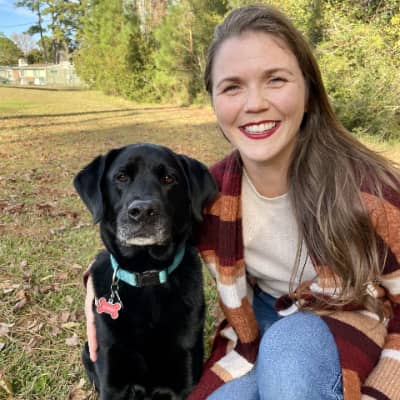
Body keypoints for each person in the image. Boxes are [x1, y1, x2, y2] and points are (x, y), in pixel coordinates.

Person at [84, 5, 400, 400]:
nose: (254, 104)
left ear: (308, 90)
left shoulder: (370, 191)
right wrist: (99, 280)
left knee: (288, 356)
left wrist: (383, 388)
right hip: (257, 322)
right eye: (232, 86)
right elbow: (147, 229)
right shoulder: (211, 194)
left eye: (275, 79)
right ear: (215, 102)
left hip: (348, 318)